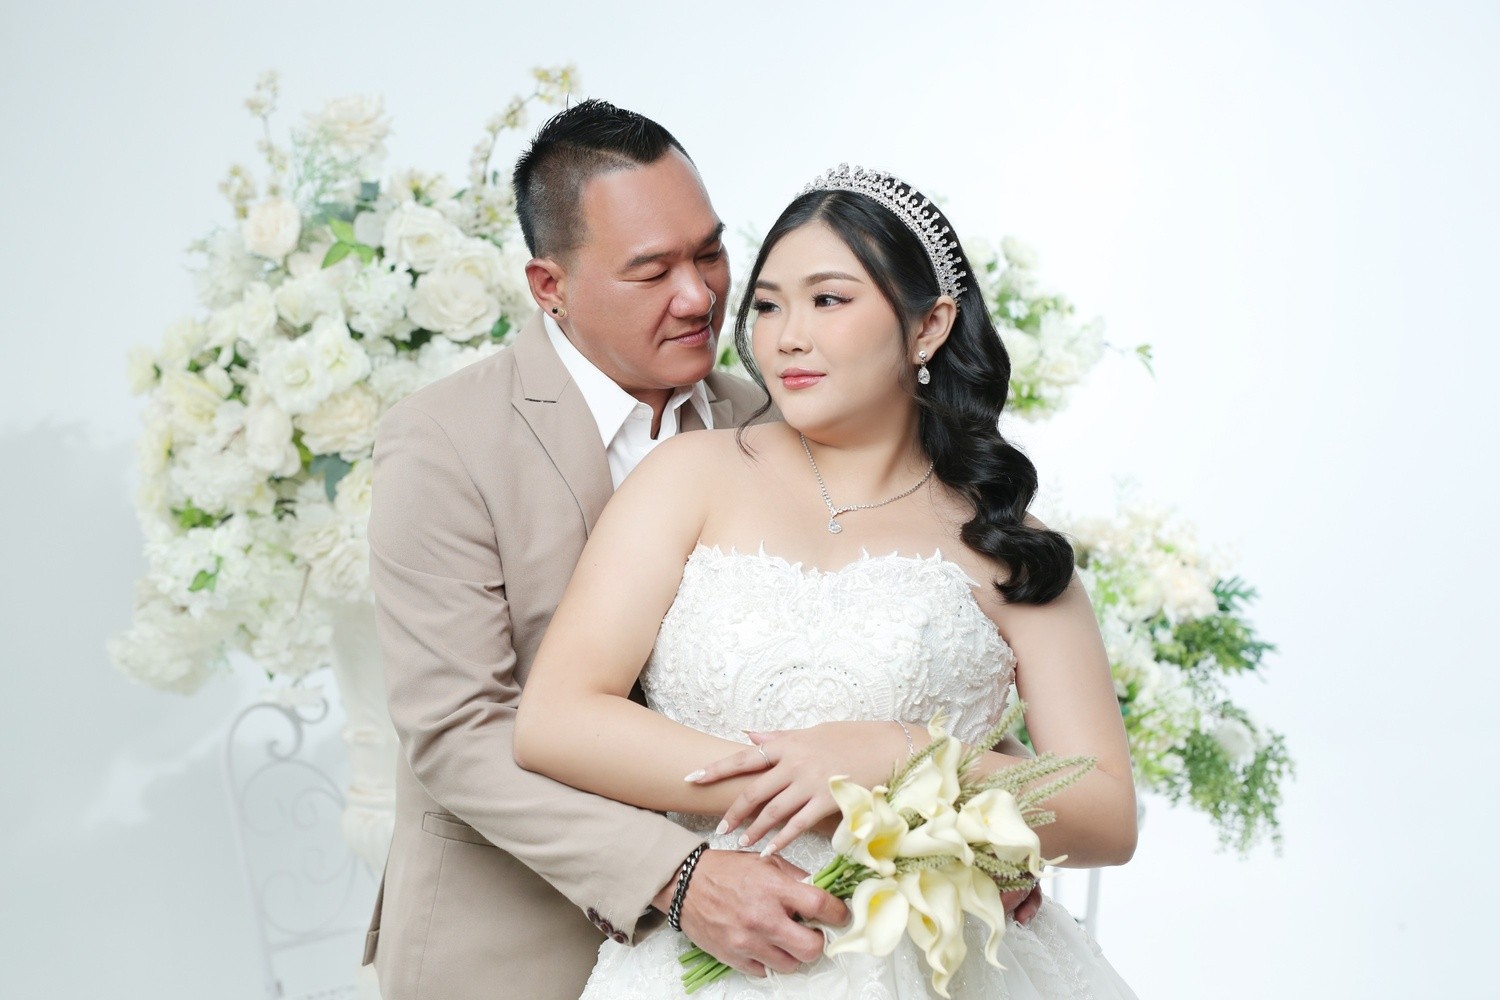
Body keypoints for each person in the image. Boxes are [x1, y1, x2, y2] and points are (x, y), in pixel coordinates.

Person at [514, 164, 1139, 998]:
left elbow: (1105, 813)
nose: (787, 337)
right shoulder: (689, 475)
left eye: (829, 300)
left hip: (942, 966)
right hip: (715, 952)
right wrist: (822, 784)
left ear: (930, 326)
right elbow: (556, 719)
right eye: (769, 305)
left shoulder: (1007, 543)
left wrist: (901, 759)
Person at [361, 101, 855, 1000]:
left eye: (710, 252)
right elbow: (458, 730)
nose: (699, 296)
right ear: (548, 285)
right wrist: (678, 878)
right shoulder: (440, 442)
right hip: (507, 939)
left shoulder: (770, 413)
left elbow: (873, 613)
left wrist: (967, 815)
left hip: (763, 947)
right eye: (652, 271)